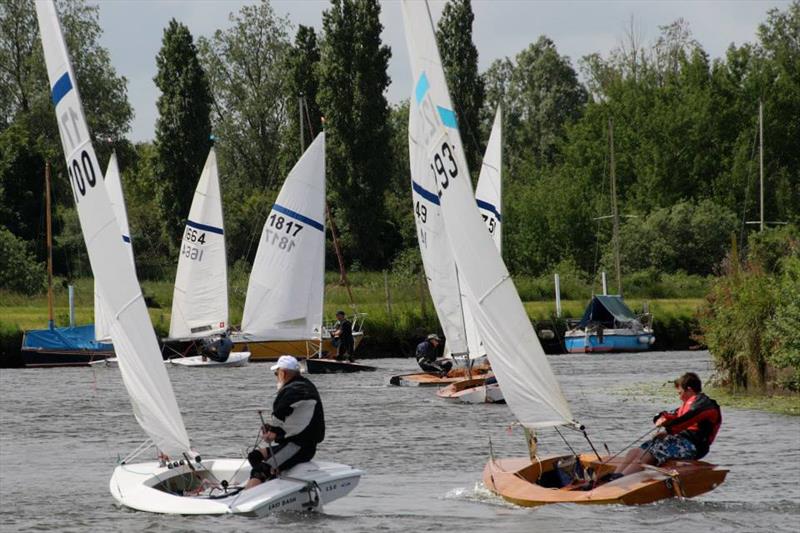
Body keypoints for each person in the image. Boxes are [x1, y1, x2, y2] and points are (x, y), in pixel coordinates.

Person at [611, 372, 721, 478]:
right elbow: (672, 415)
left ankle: (621, 479)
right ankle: (614, 477)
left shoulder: (705, 405)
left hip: (694, 446)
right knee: (636, 451)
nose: (679, 397)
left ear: (689, 389)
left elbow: (686, 420)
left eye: (680, 393)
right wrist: (660, 418)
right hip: (678, 441)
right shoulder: (687, 405)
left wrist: (667, 431)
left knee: (652, 451)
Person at [245, 355, 326, 489]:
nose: (276, 376)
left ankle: (246, 496)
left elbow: (283, 410)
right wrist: (272, 428)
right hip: (290, 443)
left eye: (276, 373)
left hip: (300, 447)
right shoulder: (299, 386)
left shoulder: (298, 389)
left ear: (283, 373)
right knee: (254, 456)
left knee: (261, 469)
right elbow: (292, 420)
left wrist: (273, 432)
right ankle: (270, 482)